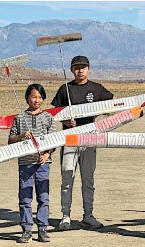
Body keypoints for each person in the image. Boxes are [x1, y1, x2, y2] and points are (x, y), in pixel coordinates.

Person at [51, 55, 114, 230]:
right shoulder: (65, 89)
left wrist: (99, 116)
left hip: (89, 139)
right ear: (71, 70)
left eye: (83, 67)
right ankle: (65, 215)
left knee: (88, 179)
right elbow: (54, 112)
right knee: (67, 177)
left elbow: (112, 103)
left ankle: (88, 215)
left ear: (88, 69)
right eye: (77, 67)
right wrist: (64, 121)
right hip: (69, 140)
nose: (80, 70)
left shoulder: (96, 88)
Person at [8, 84, 56, 243]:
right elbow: (10, 140)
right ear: (27, 98)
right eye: (34, 97)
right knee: (25, 197)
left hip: (43, 164)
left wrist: (47, 153)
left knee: (43, 197)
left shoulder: (48, 118)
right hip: (25, 164)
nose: (37, 100)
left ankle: (42, 228)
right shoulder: (20, 118)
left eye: (40, 97)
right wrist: (22, 135)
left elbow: (54, 141)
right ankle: (27, 229)